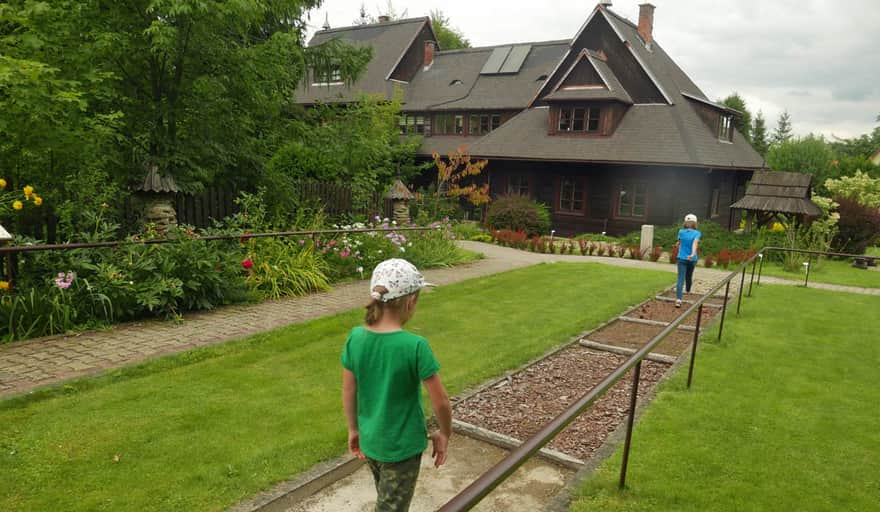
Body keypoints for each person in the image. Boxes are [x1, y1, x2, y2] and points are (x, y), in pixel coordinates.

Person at [341, 258, 452, 512]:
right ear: (411, 301)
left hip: (371, 441)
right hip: (402, 449)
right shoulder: (415, 346)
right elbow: (441, 402)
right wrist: (444, 433)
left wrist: (353, 429)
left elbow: (349, 390)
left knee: (386, 499)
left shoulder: (355, 338)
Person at [675, 214, 702, 307]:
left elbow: (679, 242)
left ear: (685, 222)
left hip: (681, 258)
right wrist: (692, 254)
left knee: (680, 279)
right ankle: (688, 291)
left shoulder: (681, 232)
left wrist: (677, 245)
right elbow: (695, 243)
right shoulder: (697, 233)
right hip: (692, 259)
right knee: (689, 276)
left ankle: (678, 300)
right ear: (695, 223)